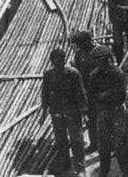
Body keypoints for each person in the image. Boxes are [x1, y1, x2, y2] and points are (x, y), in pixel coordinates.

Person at [87, 45, 128, 177]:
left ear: (108, 58)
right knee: (103, 144)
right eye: (98, 60)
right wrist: (106, 95)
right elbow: (91, 95)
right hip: (103, 112)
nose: (102, 63)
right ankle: (104, 172)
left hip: (117, 112)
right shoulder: (94, 75)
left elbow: (120, 96)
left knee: (121, 144)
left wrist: (103, 95)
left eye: (104, 59)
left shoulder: (118, 73)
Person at [40, 48, 87, 177]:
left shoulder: (73, 73)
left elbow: (80, 93)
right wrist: (44, 112)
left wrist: (84, 113)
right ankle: (65, 165)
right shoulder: (48, 74)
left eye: (61, 61)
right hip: (56, 113)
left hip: (72, 112)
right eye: (56, 62)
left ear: (65, 60)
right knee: (61, 141)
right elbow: (45, 93)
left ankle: (80, 168)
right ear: (51, 62)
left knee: (76, 140)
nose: (59, 64)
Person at [70, 30, 99, 153]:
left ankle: (110, 145)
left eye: (80, 43)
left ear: (88, 41)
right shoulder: (79, 54)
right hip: (87, 93)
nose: (79, 46)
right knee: (92, 119)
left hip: (100, 91)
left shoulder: (100, 52)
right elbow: (77, 72)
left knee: (104, 119)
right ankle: (94, 144)